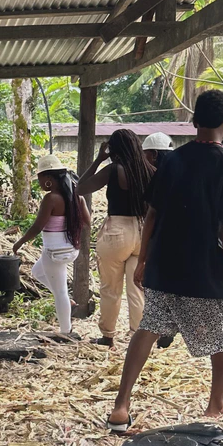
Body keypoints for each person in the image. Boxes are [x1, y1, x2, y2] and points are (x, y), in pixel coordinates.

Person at [107, 90, 223, 432]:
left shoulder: (171, 161)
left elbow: (152, 214)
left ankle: (121, 406)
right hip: (205, 269)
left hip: (165, 265)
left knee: (148, 328)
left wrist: (145, 260)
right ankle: (215, 405)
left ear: (194, 121)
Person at [77, 129, 155, 346]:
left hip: (116, 233)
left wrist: (98, 159)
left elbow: (80, 188)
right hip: (143, 231)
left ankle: (108, 336)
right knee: (137, 288)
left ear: (113, 149)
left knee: (110, 289)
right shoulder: (150, 171)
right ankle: (138, 338)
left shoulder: (114, 169)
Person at [13, 155, 91, 335]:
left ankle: (66, 332)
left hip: (54, 252)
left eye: (40, 179)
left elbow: (37, 227)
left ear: (48, 178)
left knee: (61, 292)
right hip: (71, 249)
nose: (39, 183)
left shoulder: (51, 199)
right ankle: (66, 301)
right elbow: (87, 222)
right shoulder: (76, 197)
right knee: (37, 272)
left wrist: (19, 242)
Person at [142, 132, 175, 349]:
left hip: (161, 240)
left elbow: (151, 215)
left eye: (146, 154)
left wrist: (143, 257)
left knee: (157, 289)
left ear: (154, 155)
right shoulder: (183, 171)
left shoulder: (160, 176)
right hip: (182, 240)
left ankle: (163, 328)